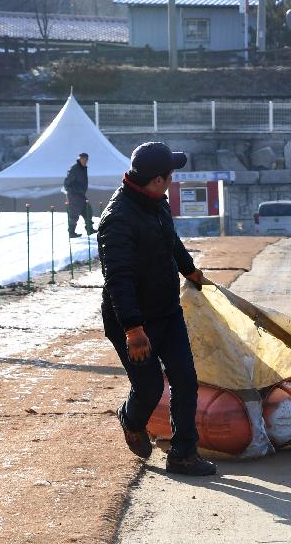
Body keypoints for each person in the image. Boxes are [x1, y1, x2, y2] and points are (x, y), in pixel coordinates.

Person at [98, 142, 215, 476]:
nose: (173, 180)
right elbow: (118, 280)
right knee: (149, 387)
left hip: (167, 311)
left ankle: (183, 454)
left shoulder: (156, 204)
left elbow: (171, 241)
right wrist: (134, 330)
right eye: (171, 175)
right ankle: (131, 420)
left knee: (186, 380)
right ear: (158, 179)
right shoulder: (118, 220)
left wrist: (190, 271)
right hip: (132, 321)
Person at [64, 152, 96, 239]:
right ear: (79, 159)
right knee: (74, 214)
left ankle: (90, 229)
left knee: (88, 211)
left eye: (86, 159)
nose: (85, 161)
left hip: (81, 195)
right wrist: (76, 190)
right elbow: (67, 184)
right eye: (83, 159)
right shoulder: (74, 169)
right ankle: (71, 232)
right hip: (74, 195)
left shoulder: (83, 168)